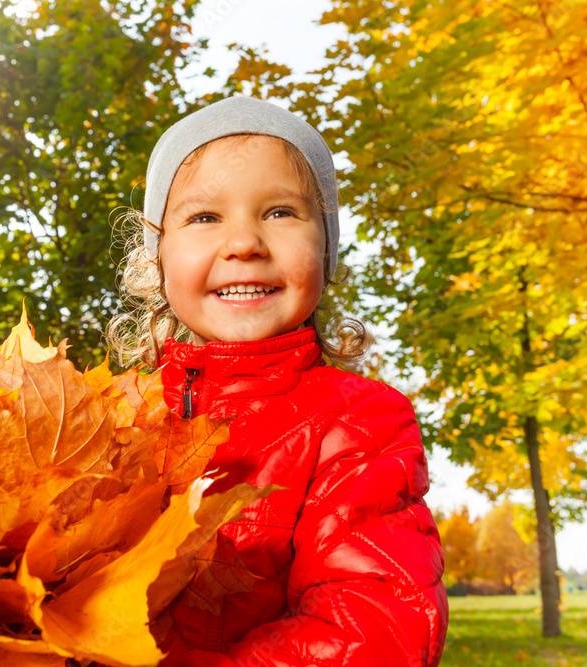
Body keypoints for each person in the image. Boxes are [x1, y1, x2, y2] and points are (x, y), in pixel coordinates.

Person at [106, 96, 449, 666]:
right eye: (204, 218)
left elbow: (373, 625)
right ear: (157, 257)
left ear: (326, 247)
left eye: (280, 212)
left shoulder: (358, 423)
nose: (244, 243)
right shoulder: (106, 418)